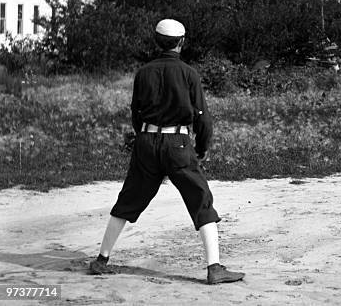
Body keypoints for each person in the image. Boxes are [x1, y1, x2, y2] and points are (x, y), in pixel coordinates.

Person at [89, 19, 245, 285]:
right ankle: (214, 268)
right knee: (201, 201)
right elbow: (202, 118)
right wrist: (202, 148)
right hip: (179, 144)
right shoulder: (189, 74)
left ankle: (101, 260)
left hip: (147, 141)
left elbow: (135, 114)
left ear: (157, 41)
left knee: (129, 198)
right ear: (181, 42)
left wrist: (144, 141)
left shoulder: (143, 73)